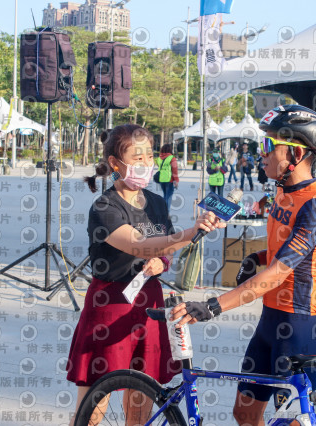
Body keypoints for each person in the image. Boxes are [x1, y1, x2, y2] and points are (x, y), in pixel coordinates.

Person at [170, 104, 316, 426]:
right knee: (244, 414)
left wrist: (214, 306)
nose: (262, 153)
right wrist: (255, 257)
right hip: (270, 324)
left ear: (297, 154)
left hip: (300, 328)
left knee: (290, 422)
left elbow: (277, 273)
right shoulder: (282, 191)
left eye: (270, 145)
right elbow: (281, 247)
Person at [66, 124, 223, 426]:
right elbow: (139, 245)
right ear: (115, 163)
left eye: (149, 156)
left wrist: (163, 261)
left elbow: (164, 246)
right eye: (137, 158)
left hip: (149, 304)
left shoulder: (157, 202)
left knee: (143, 398)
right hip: (110, 304)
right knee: (95, 399)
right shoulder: (105, 206)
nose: (146, 164)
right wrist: (190, 232)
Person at [156, 143, 179, 212]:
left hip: (161, 179)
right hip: (169, 180)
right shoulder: (172, 158)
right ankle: (166, 212)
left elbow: (158, 165)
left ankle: (163, 211)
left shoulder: (159, 158)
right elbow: (174, 170)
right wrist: (176, 180)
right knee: (168, 197)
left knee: (165, 195)